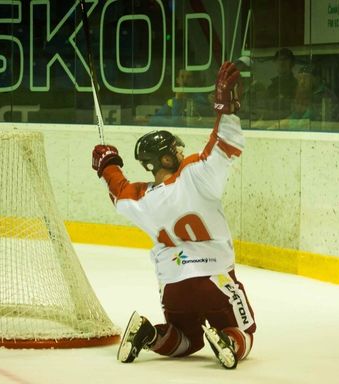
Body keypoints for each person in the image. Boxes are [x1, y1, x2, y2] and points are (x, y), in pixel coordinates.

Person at [91, 62, 256, 369]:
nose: (182, 153)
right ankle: (228, 341)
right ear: (166, 158)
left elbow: (118, 189)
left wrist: (107, 164)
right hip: (214, 278)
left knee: (187, 337)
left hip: (173, 286)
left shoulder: (141, 199)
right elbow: (226, 145)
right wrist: (226, 108)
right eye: (176, 151)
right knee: (245, 329)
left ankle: (149, 333)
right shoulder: (196, 174)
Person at [266, 48, 298, 120]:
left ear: (292, 63)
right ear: (275, 62)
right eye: (279, 60)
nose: (282, 62)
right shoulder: (272, 86)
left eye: (285, 59)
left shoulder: (296, 85)